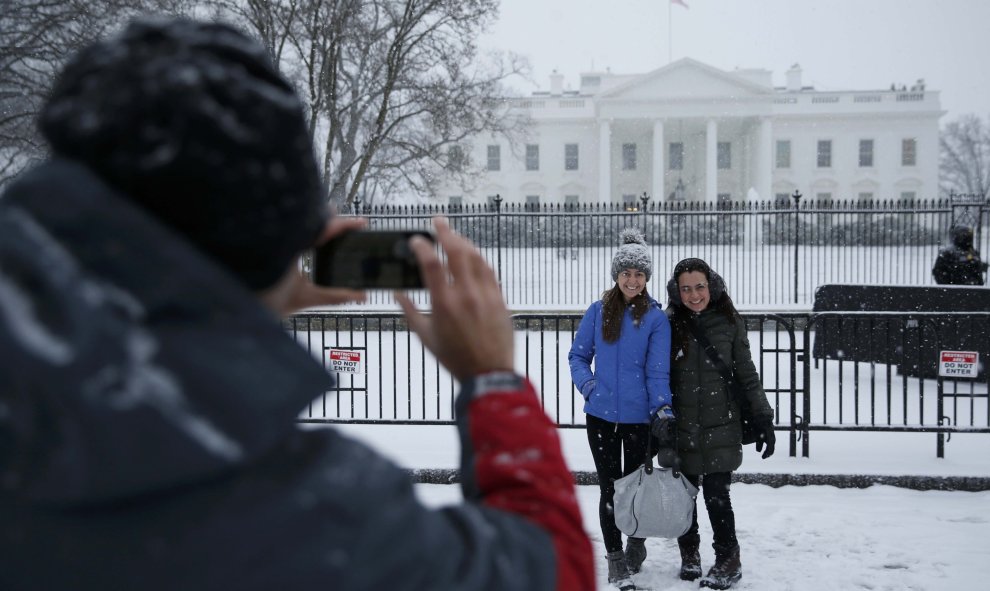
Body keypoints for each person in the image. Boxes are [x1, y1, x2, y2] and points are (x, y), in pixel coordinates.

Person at [0, 18, 594, 590]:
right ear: (286, 239)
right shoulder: (318, 516)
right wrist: (492, 380)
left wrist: (232, 306)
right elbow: (553, 570)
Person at [568, 229, 673, 591]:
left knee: (637, 491)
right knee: (610, 490)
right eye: (626, 273)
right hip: (600, 418)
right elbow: (578, 356)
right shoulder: (598, 312)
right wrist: (589, 385)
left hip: (639, 421)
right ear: (616, 275)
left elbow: (658, 371)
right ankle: (615, 559)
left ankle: (636, 542)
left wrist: (662, 410)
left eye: (639, 274)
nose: (632, 280)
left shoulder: (656, 319)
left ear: (647, 278)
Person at [663, 258, 775, 590]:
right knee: (684, 496)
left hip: (721, 424)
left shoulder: (729, 321)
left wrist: (764, 418)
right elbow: (658, 376)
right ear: (677, 291)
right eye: (686, 289)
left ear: (711, 286)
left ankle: (728, 559)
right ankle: (689, 554)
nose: (694, 295)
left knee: (716, 495)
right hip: (682, 426)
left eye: (700, 287)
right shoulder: (668, 324)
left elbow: (746, 373)